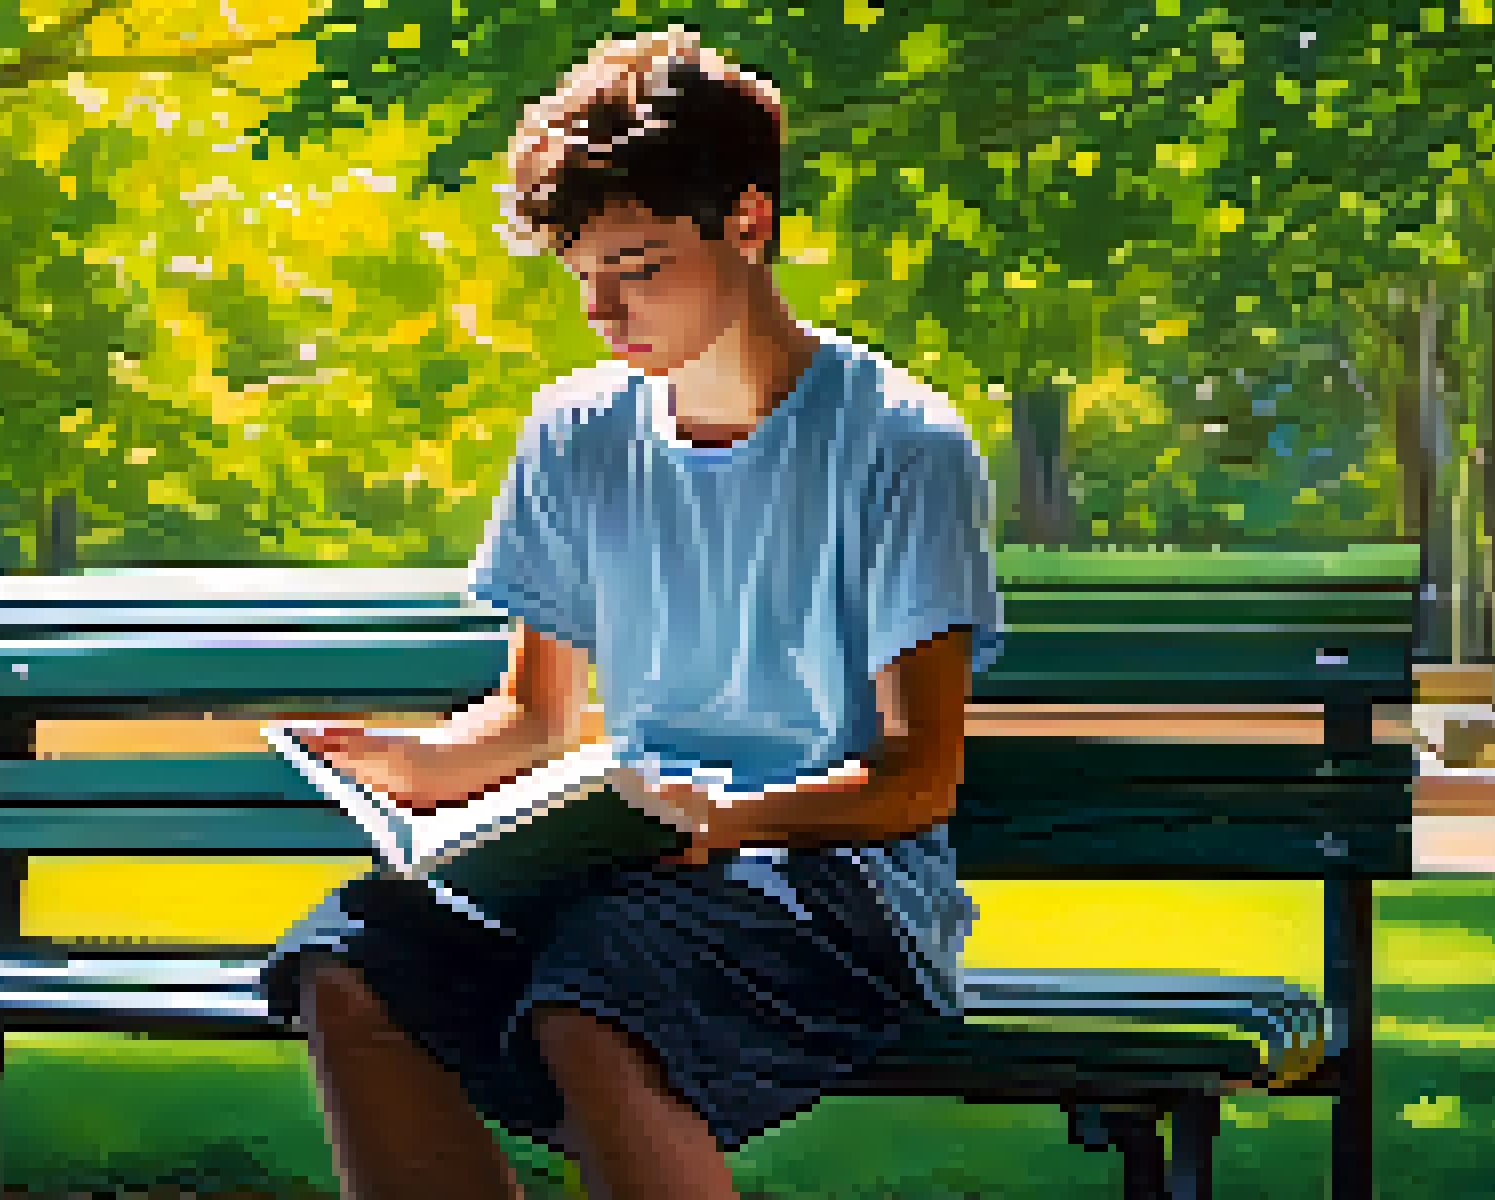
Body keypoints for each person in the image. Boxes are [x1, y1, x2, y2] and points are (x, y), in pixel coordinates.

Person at [258, 26, 1005, 1200]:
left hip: (840, 890)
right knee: (345, 961)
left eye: (641, 266)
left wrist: (728, 817)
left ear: (747, 224)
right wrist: (404, 763)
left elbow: (918, 779)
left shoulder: (901, 444)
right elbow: (529, 720)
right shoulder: (572, 433)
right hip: (637, 859)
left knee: (595, 1001)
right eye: (584, 275)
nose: (603, 311)